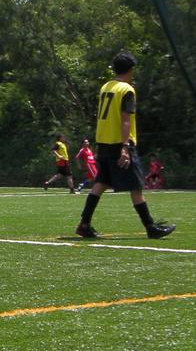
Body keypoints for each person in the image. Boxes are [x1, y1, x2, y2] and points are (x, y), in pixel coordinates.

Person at [75, 50, 175, 240]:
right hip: (119, 143)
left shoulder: (106, 87)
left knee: (100, 184)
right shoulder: (127, 90)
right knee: (136, 186)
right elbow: (125, 120)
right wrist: (125, 146)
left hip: (104, 143)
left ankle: (84, 224)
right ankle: (150, 227)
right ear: (131, 69)